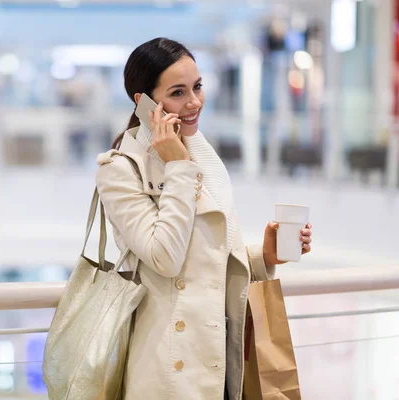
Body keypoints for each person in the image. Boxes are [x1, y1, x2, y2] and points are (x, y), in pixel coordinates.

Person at [95, 38, 313, 400]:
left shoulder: (202, 153)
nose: (194, 103)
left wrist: (264, 256)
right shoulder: (120, 169)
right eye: (178, 92)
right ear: (143, 101)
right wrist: (178, 166)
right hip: (170, 370)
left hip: (219, 357)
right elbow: (165, 257)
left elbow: (207, 259)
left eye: (197, 87)